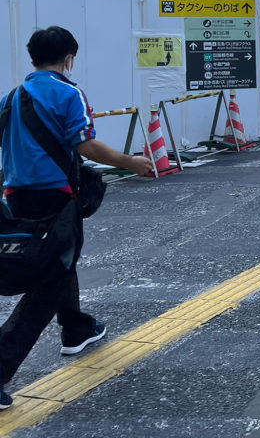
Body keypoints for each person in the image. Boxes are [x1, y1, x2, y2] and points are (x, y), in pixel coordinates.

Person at [0, 26, 153, 409]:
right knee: (49, 280)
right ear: (69, 59)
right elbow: (85, 144)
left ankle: (76, 328)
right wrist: (129, 162)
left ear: (32, 57)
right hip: (56, 199)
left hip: (16, 198)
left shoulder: (11, 97)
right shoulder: (68, 94)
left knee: (60, 261)